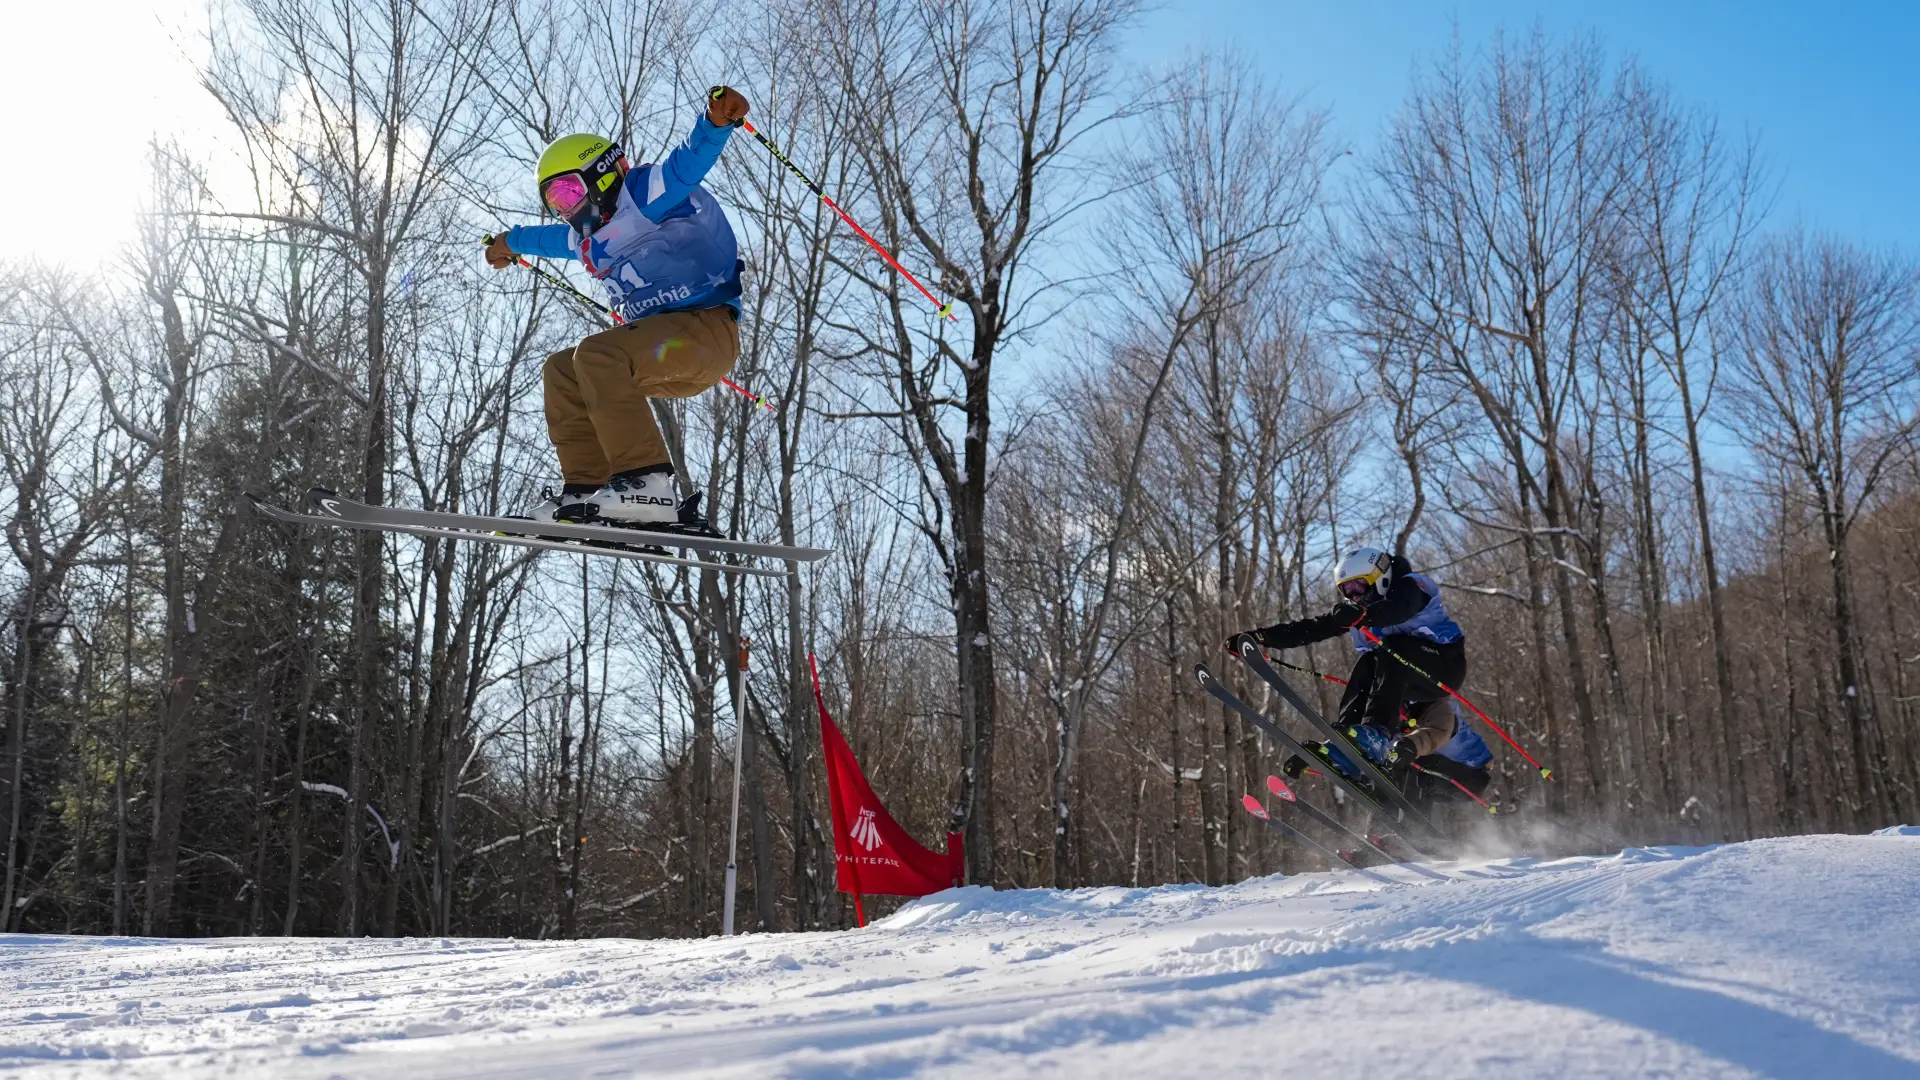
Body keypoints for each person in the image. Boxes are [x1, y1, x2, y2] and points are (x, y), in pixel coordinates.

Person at [485, 86, 752, 525]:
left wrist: (715, 124)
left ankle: (646, 483)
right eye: (556, 202)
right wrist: (509, 242)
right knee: (562, 369)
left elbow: (687, 166)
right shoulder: (584, 238)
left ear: (602, 174)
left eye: (570, 193)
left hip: (706, 329)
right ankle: (587, 489)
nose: (567, 210)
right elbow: (546, 240)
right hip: (660, 351)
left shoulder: (644, 195)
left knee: (596, 353)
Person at [1232, 546, 1467, 776]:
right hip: (1408, 680)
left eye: (1359, 586)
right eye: (1347, 591)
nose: (1354, 596)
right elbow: (1312, 629)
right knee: (1369, 661)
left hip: (1444, 666)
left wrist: (1366, 615)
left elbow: (1399, 608)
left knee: (1393, 647)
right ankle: (1347, 738)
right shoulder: (1359, 613)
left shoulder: (1411, 585)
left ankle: (1376, 732)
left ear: (1380, 576)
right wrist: (1262, 637)